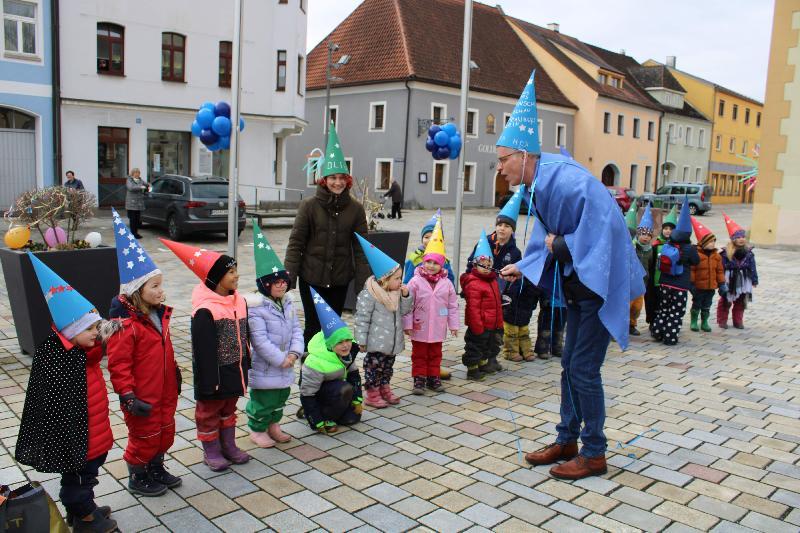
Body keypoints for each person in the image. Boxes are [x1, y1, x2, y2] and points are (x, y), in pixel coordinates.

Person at [498, 71, 645, 480]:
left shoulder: (565, 180)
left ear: (524, 156)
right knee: (569, 365)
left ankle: (594, 452)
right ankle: (567, 439)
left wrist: (559, 248)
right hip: (581, 288)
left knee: (582, 368)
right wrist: (523, 266)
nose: (500, 169)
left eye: (503, 159)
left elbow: (605, 228)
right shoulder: (543, 182)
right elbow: (547, 235)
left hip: (599, 287)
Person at [16, 254, 117, 533]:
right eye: (90, 329)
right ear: (71, 331)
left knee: (89, 474)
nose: (97, 333)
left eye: (97, 327)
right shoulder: (57, 357)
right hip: (76, 437)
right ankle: (83, 515)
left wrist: (101, 334)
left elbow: (96, 353)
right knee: (78, 479)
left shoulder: (84, 352)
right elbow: (50, 403)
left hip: (93, 432)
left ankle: (83, 507)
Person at [106, 208, 180, 497]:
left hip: (164, 390)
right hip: (141, 395)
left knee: (164, 431)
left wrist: (174, 372)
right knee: (144, 436)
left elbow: (166, 350)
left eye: (161, 285)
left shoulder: (159, 317)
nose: (162, 291)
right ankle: (137, 472)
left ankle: (156, 466)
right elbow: (119, 365)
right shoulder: (125, 326)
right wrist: (126, 396)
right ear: (137, 291)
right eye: (155, 286)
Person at [160, 239, 251, 471]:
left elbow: (245, 334)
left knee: (229, 407)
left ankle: (228, 444)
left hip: (235, 368)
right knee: (209, 412)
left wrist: (246, 362)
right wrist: (210, 381)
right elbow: (203, 350)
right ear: (215, 277)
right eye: (231, 272)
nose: (236, 276)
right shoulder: (205, 310)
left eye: (236, 270)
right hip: (215, 373)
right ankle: (211, 450)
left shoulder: (239, 301)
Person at [284, 122, 371, 348]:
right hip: (311, 279)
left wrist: (364, 284)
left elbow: (362, 249)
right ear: (324, 179)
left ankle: (330, 376)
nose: (338, 182)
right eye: (333, 177)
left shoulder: (355, 209)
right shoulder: (309, 206)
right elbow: (296, 243)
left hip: (340, 280)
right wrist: (289, 277)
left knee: (333, 328)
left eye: (342, 177)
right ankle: (309, 375)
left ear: (347, 180)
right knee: (313, 328)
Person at [244, 222, 303, 448]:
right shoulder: (257, 309)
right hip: (268, 366)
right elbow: (259, 341)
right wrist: (281, 359)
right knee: (264, 399)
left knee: (280, 397)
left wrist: (294, 353)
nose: (281, 286)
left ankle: (273, 425)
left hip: (286, 363)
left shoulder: (287, 303)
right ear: (265, 285)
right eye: (276, 283)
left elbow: (297, 328)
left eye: (283, 282)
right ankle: (257, 428)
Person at [467, 187, 538, 364]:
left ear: (512, 230)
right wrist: (469, 285)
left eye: (507, 226)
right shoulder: (484, 244)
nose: (502, 229)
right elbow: (471, 264)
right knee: (481, 326)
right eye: (499, 225)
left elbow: (517, 277)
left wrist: (510, 294)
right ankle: (480, 356)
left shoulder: (515, 252)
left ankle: (492, 356)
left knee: (498, 328)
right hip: (482, 291)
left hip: (501, 295)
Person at [354, 234, 413, 407]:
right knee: (374, 368)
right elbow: (362, 318)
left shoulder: (396, 293)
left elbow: (404, 311)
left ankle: (384, 387)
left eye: (400, 277)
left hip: (392, 342)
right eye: (397, 278)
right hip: (376, 342)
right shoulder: (370, 294)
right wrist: (361, 341)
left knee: (387, 367)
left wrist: (406, 296)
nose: (400, 281)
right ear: (384, 280)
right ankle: (372, 393)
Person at [403, 218, 459, 394]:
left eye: (435, 263)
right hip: (419, 326)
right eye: (428, 262)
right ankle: (419, 378)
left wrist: (454, 325)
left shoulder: (447, 283)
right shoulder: (415, 281)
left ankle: (433, 377)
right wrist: (407, 324)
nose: (431, 266)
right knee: (419, 354)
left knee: (436, 353)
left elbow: (452, 305)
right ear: (423, 261)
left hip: (438, 326)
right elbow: (408, 304)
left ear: (441, 264)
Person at [298, 289, 363, 433]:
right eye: (340, 342)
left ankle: (334, 411)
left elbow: (354, 377)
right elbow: (307, 394)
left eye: (348, 340)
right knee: (344, 389)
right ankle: (319, 414)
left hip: (334, 389)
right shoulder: (315, 363)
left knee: (352, 419)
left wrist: (357, 399)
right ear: (330, 345)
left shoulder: (348, 353)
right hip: (319, 392)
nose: (346, 345)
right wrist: (316, 421)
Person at [649, 198, 700, 345]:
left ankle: (657, 332)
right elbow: (696, 261)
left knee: (663, 308)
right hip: (680, 286)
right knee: (676, 312)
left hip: (665, 283)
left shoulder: (668, 244)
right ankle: (670, 337)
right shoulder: (690, 249)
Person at [461, 231, 504, 380]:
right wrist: (477, 326)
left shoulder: (492, 280)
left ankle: (482, 364)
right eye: (482, 265)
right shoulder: (474, 283)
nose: (486, 268)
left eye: (488, 264)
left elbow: (497, 304)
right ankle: (472, 370)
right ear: (475, 265)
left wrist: (498, 323)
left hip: (491, 324)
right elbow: (473, 308)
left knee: (487, 346)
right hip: (479, 325)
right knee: (475, 347)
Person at [717, 213, 758, 329]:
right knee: (726, 300)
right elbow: (721, 268)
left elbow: (752, 267)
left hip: (744, 279)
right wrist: (720, 282)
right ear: (733, 239)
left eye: (743, 237)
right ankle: (722, 320)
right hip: (729, 279)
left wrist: (754, 280)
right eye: (738, 237)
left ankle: (738, 321)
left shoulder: (749, 253)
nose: (741, 239)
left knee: (741, 301)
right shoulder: (725, 253)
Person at [690, 218, 725, 332]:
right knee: (697, 303)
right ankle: (694, 321)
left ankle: (704, 321)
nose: (712, 244)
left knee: (707, 304)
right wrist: (692, 284)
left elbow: (719, 271)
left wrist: (722, 284)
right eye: (710, 241)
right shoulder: (696, 255)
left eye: (714, 241)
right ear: (703, 243)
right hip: (699, 287)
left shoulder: (717, 256)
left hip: (711, 287)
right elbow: (692, 270)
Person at [645, 205, 677, 325]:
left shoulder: (677, 246)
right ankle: (653, 321)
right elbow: (650, 263)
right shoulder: (655, 245)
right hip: (656, 281)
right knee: (653, 301)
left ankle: (666, 321)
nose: (668, 231)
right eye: (666, 228)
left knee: (667, 303)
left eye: (671, 229)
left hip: (670, 281)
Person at [403, 211, 455, 285]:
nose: (430, 240)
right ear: (422, 239)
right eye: (426, 237)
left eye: (433, 237)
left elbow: (450, 280)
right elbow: (407, 281)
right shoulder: (416, 258)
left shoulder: (444, 260)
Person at [629, 204, 655, 336]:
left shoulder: (650, 250)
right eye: (642, 234)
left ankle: (632, 324)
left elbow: (650, 265)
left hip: (642, 282)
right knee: (626, 305)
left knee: (637, 307)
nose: (645, 237)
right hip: (629, 282)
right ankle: (621, 325)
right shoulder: (634, 247)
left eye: (648, 235)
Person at [125, 168, 148, 239]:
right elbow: (131, 188)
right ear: (132, 174)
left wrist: (149, 186)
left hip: (139, 203)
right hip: (131, 203)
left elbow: (147, 185)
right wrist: (141, 187)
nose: (137, 174)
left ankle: (136, 233)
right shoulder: (129, 180)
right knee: (133, 219)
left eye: (138, 173)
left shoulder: (140, 180)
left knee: (137, 220)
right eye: (136, 173)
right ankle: (133, 234)